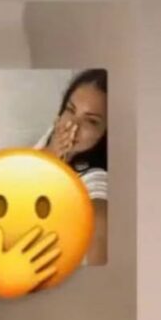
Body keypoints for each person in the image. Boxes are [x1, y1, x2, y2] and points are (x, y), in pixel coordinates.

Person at [35, 69, 107, 265]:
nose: (73, 126)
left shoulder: (96, 178)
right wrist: (51, 153)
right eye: (70, 109)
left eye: (91, 121)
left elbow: (98, 218)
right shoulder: (55, 132)